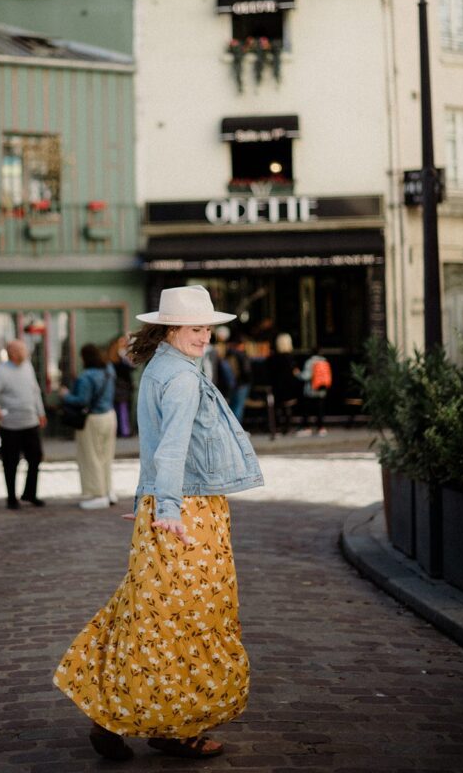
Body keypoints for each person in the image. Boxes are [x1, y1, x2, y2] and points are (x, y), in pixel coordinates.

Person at [54, 284, 264, 762]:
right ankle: (173, 728)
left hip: (165, 504)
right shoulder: (184, 378)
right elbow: (169, 447)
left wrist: (148, 500)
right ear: (171, 328)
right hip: (189, 511)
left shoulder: (159, 369)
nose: (204, 337)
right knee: (191, 621)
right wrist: (168, 508)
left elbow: (152, 445)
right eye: (195, 328)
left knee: (147, 614)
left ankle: (122, 716)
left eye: (208, 328)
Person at [0, 339, 47, 509]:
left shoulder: (28, 366)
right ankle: (11, 497)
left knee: (35, 458)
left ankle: (30, 493)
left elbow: (35, 391)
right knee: (10, 462)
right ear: (13, 353)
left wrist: (41, 412)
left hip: (30, 422)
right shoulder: (0, 372)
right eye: (23, 350)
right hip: (11, 425)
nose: (26, 353)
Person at [60, 343, 117, 510]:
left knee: (90, 457)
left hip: (92, 419)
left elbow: (81, 400)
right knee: (106, 456)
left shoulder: (86, 376)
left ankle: (96, 494)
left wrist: (66, 396)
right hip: (109, 416)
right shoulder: (109, 370)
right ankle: (107, 491)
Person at [295, 345, 331, 436]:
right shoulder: (324, 361)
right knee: (320, 410)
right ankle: (321, 428)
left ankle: (307, 428)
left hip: (310, 390)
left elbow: (306, 376)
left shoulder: (309, 362)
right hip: (322, 390)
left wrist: (297, 374)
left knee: (307, 410)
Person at [106, 335, 135, 438]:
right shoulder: (115, 357)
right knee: (120, 410)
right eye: (122, 342)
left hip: (124, 387)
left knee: (123, 409)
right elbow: (125, 369)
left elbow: (133, 367)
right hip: (118, 387)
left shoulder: (124, 355)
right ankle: (123, 431)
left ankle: (123, 430)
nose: (124, 344)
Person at [272, 333, 300, 435]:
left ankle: (278, 427)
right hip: (289, 385)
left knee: (278, 407)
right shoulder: (290, 358)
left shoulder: (274, 357)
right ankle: (287, 428)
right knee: (288, 406)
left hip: (278, 385)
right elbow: (294, 372)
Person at [224, 330, 252, 423]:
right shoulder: (241, 355)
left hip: (232, 384)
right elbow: (246, 370)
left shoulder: (228, 354)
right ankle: (236, 431)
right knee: (238, 407)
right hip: (241, 383)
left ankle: (231, 430)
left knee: (232, 407)